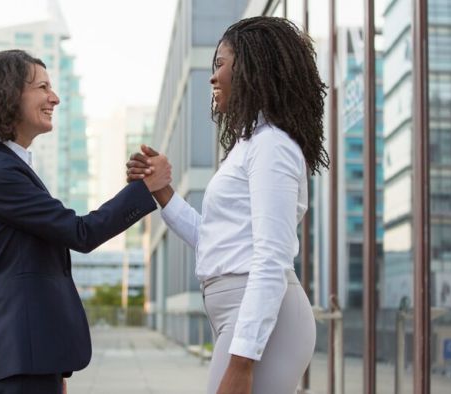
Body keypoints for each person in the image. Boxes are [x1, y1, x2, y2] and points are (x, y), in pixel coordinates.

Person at [0, 49, 171, 394]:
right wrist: (147, 188)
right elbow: (80, 233)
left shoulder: (7, 164)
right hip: (22, 355)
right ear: (8, 94)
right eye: (42, 87)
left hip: (34, 354)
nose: (55, 97)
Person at [127, 17, 328, 394]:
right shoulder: (250, 145)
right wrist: (162, 191)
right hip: (237, 312)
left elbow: (271, 257)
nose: (212, 77)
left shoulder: (272, 146)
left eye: (220, 63)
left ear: (252, 68)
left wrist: (241, 362)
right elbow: (214, 239)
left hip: (262, 319)